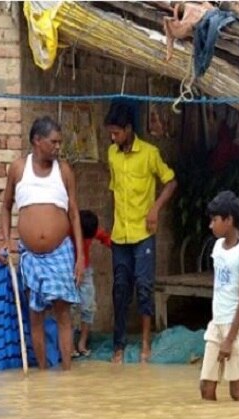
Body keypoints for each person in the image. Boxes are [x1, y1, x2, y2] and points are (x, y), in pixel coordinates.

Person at [0, 116, 84, 370]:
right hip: (30, 255)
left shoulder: (64, 170)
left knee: (63, 314)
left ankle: (67, 372)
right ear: (37, 141)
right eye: (54, 142)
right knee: (35, 315)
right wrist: (4, 242)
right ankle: (44, 374)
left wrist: (80, 257)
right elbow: (5, 208)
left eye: (60, 142)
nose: (58, 147)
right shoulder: (17, 169)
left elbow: (74, 214)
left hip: (60, 253)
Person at [104, 102, 177, 365]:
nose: (113, 138)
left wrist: (155, 208)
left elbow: (170, 182)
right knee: (120, 289)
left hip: (143, 233)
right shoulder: (112, 154)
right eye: (111, 134)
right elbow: (114, 190)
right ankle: (118, 346)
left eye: (116, 133)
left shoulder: (150, 153)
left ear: (128, 129)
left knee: (144, 288)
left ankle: (146, 342)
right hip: (119, 235)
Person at [199, 191, 239, 401]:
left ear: (229, 220)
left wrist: (229, 340)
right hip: (217, 323)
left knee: (237, 390)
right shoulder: (217, 248)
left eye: (215, 220)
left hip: (235, 327)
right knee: (206, 387)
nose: (211, 225)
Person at [72, 209, 112, 357]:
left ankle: (82, 343)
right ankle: (69, 346)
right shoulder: (69, 230)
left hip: (86, 271)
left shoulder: (91, 229)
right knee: (69, 309)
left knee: (88, 307)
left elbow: (105, 238)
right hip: (68, 270)